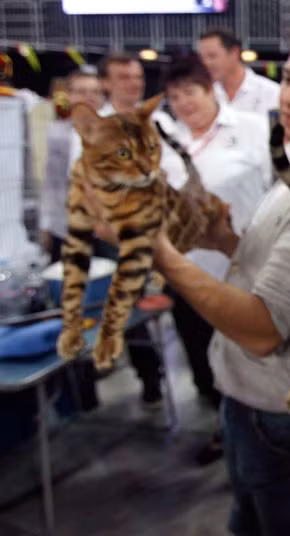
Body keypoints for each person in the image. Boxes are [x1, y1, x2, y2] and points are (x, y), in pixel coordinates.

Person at [92, 13, 290, 534]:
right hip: (256, 408)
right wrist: (223, 241)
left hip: (284, 420)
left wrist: (156, 249)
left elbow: (263, 330)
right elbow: (277, 272)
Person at [157, 54, 271, 411]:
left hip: (246, 262)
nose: (183, 103)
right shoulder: (166, 143)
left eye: (189, 92)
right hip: (189, 269)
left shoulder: (252, 128)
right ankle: (215, 415)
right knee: (199, 348)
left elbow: (279, 185)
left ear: (209, 90)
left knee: (249, 351)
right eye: (174, 97)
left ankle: (248, 413)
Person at [69, 53, 166, 408]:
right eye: (124, 77)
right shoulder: (94, 128)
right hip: (101, 235)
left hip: (143, 231)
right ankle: (89, 388)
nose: (133, 83)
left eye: (137, 76)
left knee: (137, 308)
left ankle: (149, 375)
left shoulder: (154, 121)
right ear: (108, 83)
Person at [40, 70, 104, 262]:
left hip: (106, 232)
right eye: (82, 91)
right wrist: (46, 225)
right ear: (69, 95)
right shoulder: (54, 134)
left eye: (94, 92)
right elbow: (49, 184)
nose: (89, 97)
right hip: (64, 227)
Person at [198, 28, 281, 116]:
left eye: (212, 56)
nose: (205, 63)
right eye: (201, 58)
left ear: (235, 53)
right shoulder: (203, 95)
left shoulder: (272, 93)